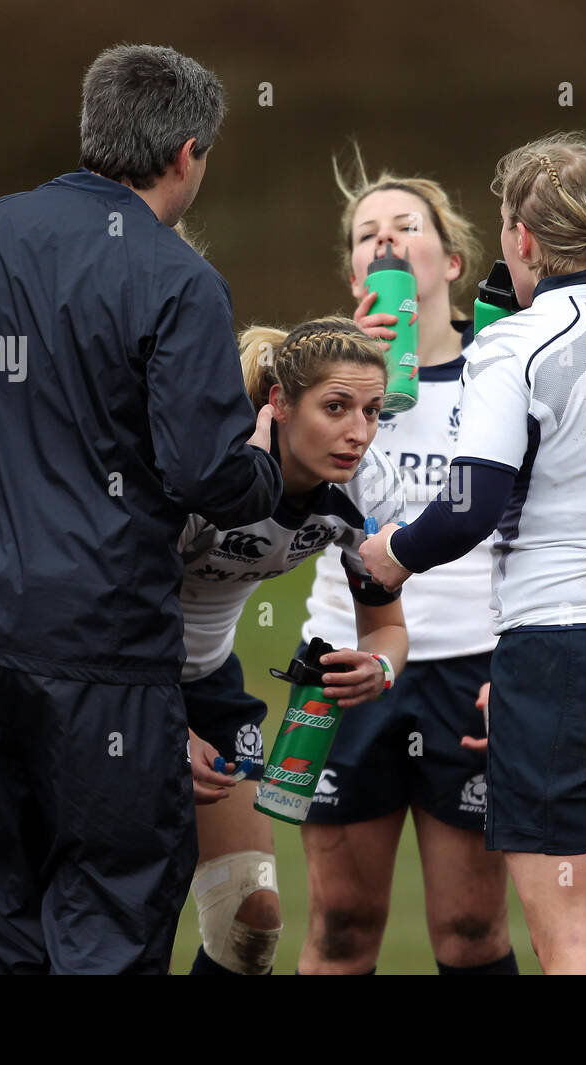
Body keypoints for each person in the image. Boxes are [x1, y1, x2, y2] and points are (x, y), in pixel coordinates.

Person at [0, 44, 282, 974]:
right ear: (187, 153)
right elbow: (204, 474)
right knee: (110, 909)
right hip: (99, 652)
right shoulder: (179, 281)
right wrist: (260, 461)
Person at [360, 132, 586, 975]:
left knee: (577, 935)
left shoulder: (514, 343)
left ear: (521, 237)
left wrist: (393, 557)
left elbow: (469, 505)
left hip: (566, 649)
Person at [294, 154, 518, 976]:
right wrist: (356, 376)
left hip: (472, 661)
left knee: (469, 927)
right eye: (366, 235)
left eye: (405, 227)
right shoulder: (318, 371)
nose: (384, 242)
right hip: (344, 655)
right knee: (342, 922)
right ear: (353, 268)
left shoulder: (505, 368)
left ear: (450, 262)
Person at [180, 316, 408, 975]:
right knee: (121, 914)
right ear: (279, 403)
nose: (357, 432)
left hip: (210, 681)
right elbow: (104, 612)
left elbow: (387, 629)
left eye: (371, 410)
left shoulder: (365, 488)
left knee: (250, 926)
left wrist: (380, 669)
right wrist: (162, 725)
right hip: (108, 679)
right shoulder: (207, 470)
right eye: (335, 407)